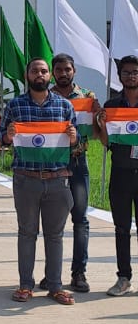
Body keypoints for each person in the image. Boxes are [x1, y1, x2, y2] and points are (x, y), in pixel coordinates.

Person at [0, 58, 78, 305]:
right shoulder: (15, 106)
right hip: (26, 179)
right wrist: (9, 136)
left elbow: (75, 144)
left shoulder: (64, 106)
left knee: (55, 236)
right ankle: (25, 285)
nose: (40, 75)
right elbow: (2, 138)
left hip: (57, 179)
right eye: (35, 71)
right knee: (27, 233)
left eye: (44, 71)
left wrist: (74, 138)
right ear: (27, 75)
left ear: (50, 76)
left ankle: (55, 285)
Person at [50, 53, 99, 293]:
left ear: (74, 71)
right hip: (53, 166)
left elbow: (98, 132)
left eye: (67, 69)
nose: (63, 73)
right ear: (53, 72)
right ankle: (52, 276)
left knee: (80, 221)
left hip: (78, 164)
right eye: (58, 69)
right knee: (53, 224)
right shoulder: (46, 97)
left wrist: (100, 116)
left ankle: (79, 273)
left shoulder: (88, 98)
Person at [96, 54, 138, 296]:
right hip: (121, 173)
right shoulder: (112, 106)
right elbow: (105, 142)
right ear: (120, 76)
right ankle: (123, 278)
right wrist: (102, 126)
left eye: (135, 72)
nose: (131, 76)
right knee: (121, 228)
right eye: (126, 72)